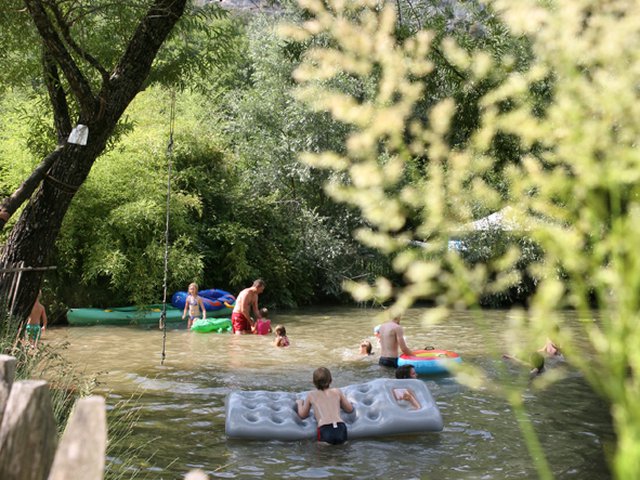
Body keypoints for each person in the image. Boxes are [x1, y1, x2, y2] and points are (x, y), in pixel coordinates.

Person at [296, 367, 354, 445]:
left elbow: (303, 415)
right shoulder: (337, 391)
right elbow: (349, 409)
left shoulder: (311, 395)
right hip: (340, 427)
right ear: (331, 380)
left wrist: (299, 403)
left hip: (325, 429)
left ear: (313, 382)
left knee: (322, 452)